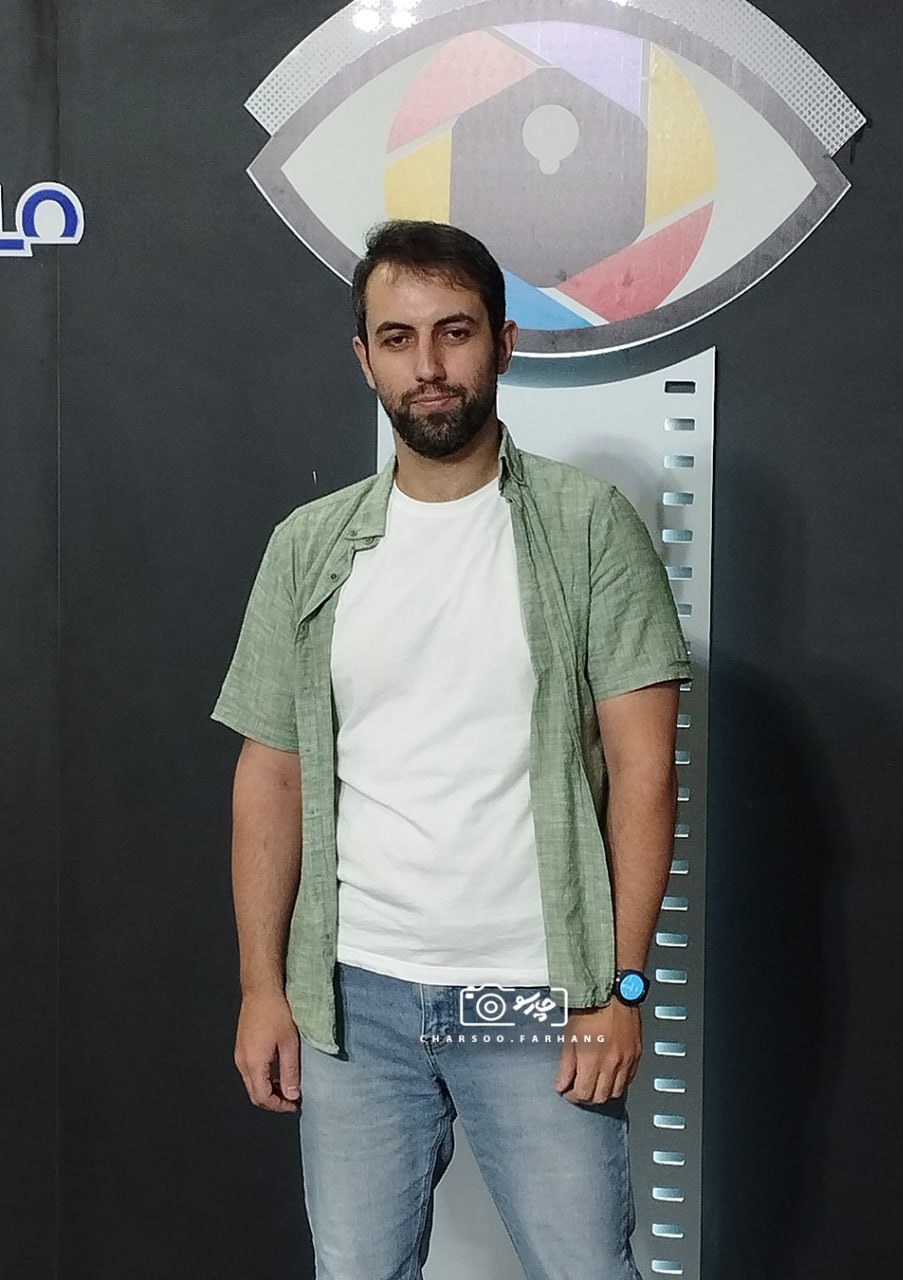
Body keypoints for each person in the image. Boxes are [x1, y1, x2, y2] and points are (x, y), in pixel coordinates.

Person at [212, 219, 690, 1280]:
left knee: (586, 1267)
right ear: (365, 359)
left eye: (454, 331)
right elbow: (272, 774)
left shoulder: (587, 527)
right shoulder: (309, 546)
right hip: (356, 997)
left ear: (503, 343)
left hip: (537, 992)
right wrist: (261, 985)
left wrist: (618, 988)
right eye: (398, 337)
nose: (427, 365)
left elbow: (645, 772)